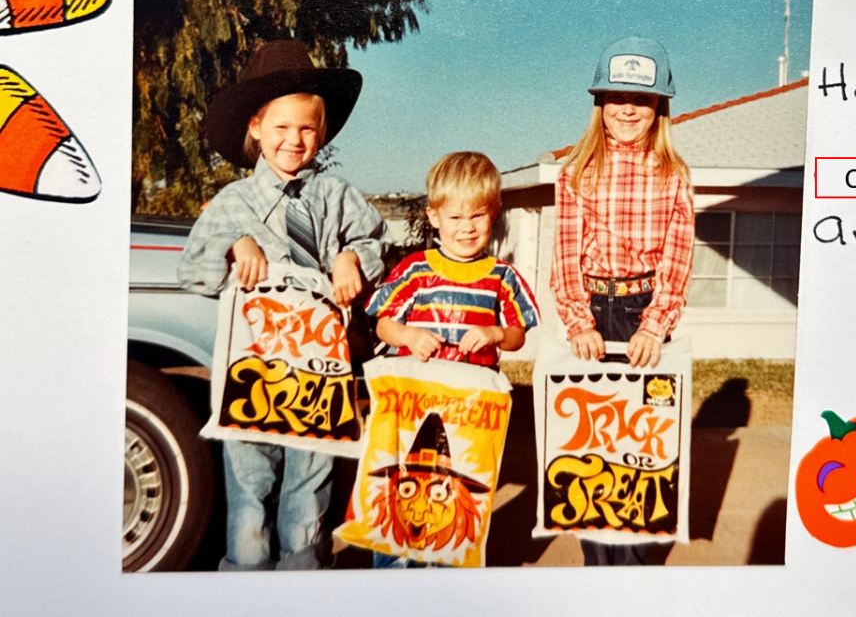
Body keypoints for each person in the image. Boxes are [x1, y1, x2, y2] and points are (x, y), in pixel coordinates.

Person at [178, 40, 388, 571]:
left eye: (307, 130)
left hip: (319, 368)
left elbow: (375, 244)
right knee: (250, 480)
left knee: (311, 479)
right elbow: (194, 271)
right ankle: (247, 578)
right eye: (282, 128)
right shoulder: (232, 202)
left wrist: (349, 258)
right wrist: (232, 245)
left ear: (322, 133)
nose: (294, 141)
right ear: (255, 128)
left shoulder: (337, 194)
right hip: (254, 367)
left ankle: (304, 572)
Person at [550, 36, 695, 566]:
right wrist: (577, 321)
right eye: (616, 97)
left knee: (641, 452)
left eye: (641, 99)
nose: (628, 109)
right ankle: (598, 566)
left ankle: (633, 573)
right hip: (593, 312)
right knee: (591, 449)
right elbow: (565, 254)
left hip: (643, 316)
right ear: (600, 105)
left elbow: (677, 259)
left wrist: (655, 325)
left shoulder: (674, 175)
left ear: (660, 107)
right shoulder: (576, 172)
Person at [366, 151, 540, 568]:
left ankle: (449, 583)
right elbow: (383, 325)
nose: (467, 228)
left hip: (471, 409)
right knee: (400, 487)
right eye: (456, 217)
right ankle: (389, 580)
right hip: (411, 403)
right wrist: (407, 334)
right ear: (434, 216)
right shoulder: (415, 270)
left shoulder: (502, 276)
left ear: (493, 214)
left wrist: (496, 333)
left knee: (457, 494)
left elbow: (518, 335)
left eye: (477, 216)